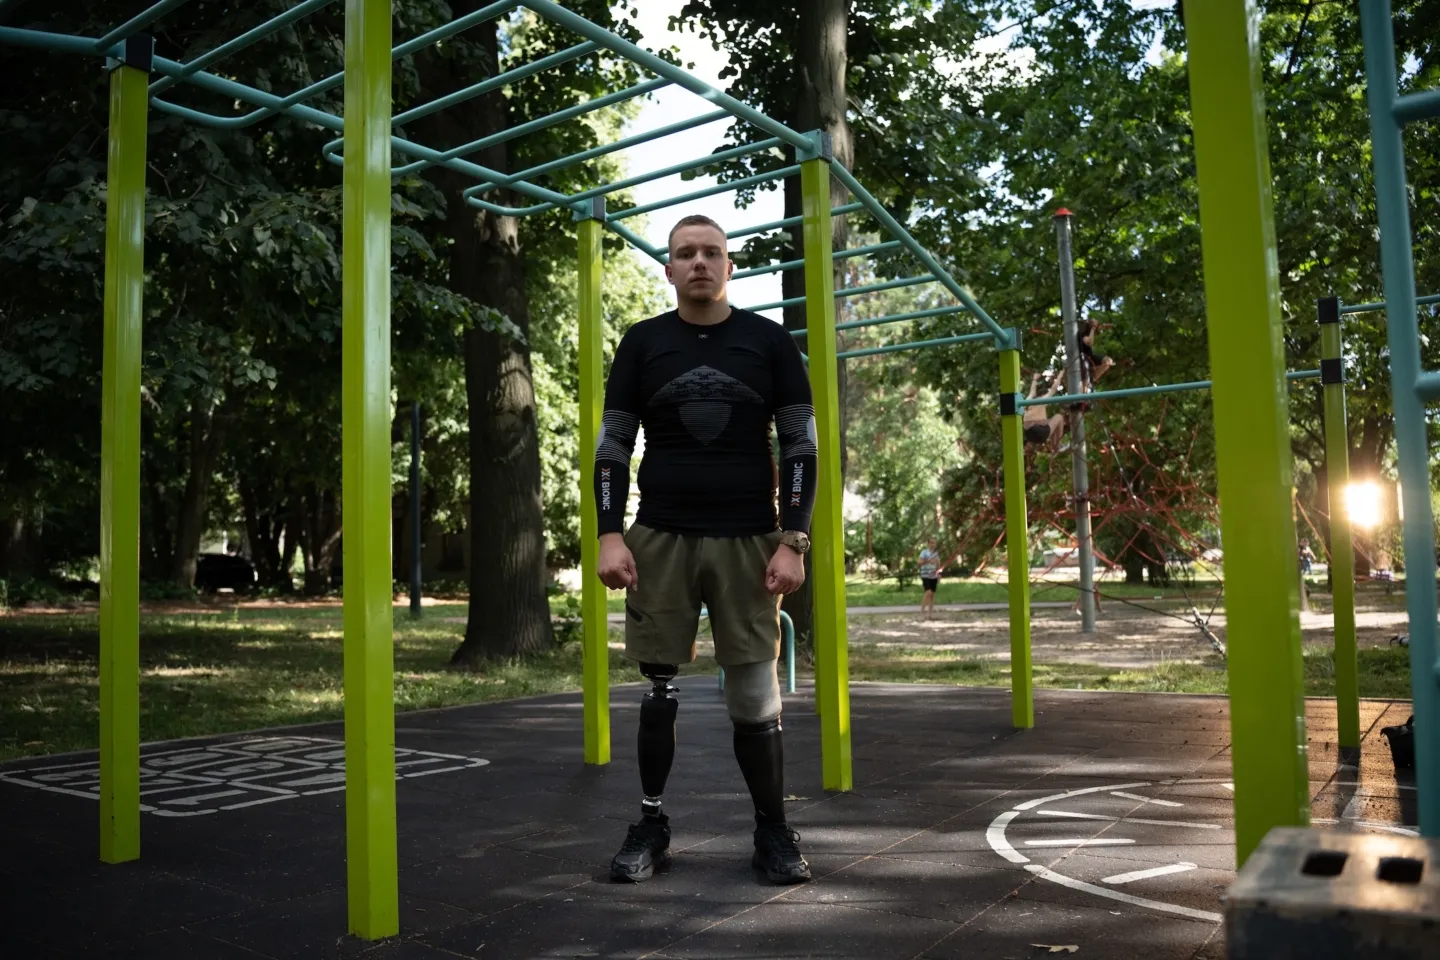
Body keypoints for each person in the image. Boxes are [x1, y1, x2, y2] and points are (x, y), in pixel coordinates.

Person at [594, 213, 817, 886]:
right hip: (660, 536)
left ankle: (772, 831)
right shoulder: (642, 343)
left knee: (755, 694)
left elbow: (801, 447)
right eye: (685, 254)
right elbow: (613, 448)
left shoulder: (769, 343)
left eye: (711, 252)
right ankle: (653, 824)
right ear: (668, 270)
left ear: (729, 266)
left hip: (750, 540)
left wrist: (794, 539)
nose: (699, 262)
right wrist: (608, 533)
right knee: (658, 685)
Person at [1022, 369, 1067, 450]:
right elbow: (1054, 389)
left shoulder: (1028, 400)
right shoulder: (1043, 399)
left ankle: (1055, 447)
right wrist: (1061, 374)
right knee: (1059, 417)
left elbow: (1032, 391)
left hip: (1029, 435)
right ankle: (1058, 445)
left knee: (1049, 423)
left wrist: (1035, 379)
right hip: (1039, 432)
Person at [918, 538, 942, 618]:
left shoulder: (936, 554)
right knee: (928, 592)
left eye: (934, 543)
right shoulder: (924, 552)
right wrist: (928, 561)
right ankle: (922, 611)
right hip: (925, 575)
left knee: (932, 595)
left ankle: (929, 614)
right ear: (928, 543)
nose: (932, 544)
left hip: (934, 576)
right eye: (931, 543)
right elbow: (919, 562)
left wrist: (939, 575)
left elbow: (938, 565)